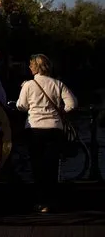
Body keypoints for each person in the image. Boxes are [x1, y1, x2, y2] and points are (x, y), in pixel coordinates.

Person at [16, 54, 77, 213]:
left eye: (31, 65)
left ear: (35, 68)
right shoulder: (58, 84)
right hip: (54, 129)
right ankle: (51, 201)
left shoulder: (29, 85)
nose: (29, 68)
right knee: (51, 166)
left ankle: (41, 202)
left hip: (35, 129)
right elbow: (72, 104)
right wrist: (61, 112)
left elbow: (21, 106)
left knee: (37, 166)